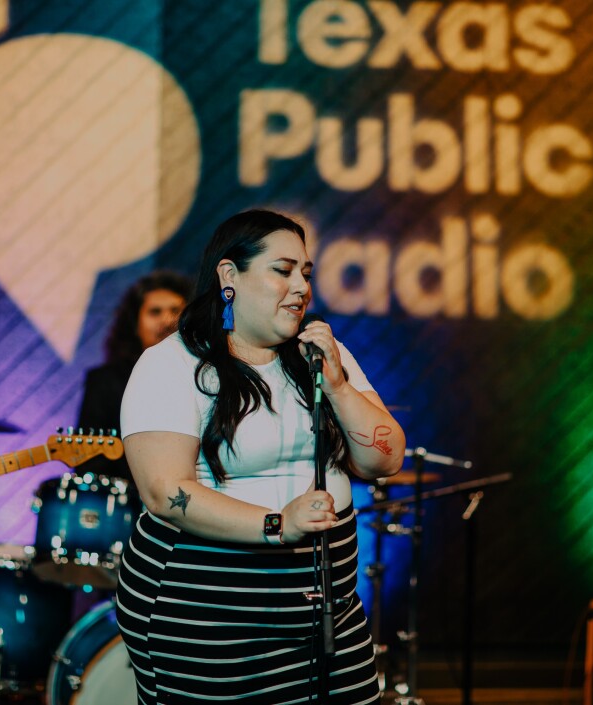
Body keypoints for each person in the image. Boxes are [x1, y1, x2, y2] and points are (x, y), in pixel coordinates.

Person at [115, 209, 406, 704]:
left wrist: (336, 385)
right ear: (229, 276)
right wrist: (277, 524)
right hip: (207, 612)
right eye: (283, 269)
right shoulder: (173, 362)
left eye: (306, 273)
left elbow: (385, 459)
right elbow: (165, 493)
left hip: (326, 607)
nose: (301, 287)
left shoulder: (324, 355)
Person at [78, 270, 192, 480]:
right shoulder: (105, 382)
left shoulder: (207, 376)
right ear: (134, 325)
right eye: (155, 312)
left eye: (176, 310)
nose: (167, 320)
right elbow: (88, 463)